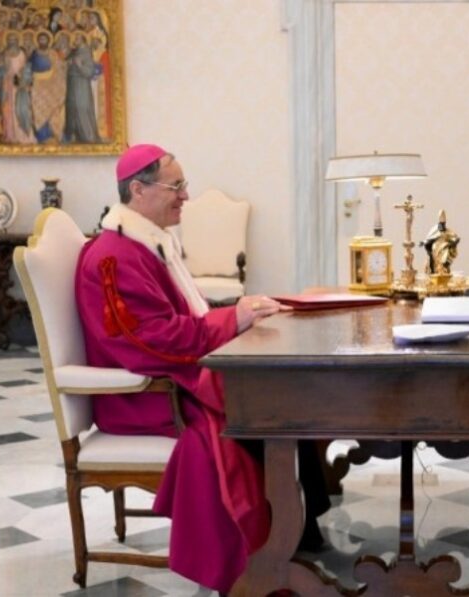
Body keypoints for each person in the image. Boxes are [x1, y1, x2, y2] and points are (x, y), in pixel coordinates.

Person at [74, 144, 329, 593]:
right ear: (138, 190)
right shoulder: (113, 258)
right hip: (143, 398)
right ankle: (259, 561)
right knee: (267, 410)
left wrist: (238, 312)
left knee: (287, 396)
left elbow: (186, 313)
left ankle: (298, 532)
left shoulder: (147, 243)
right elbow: (149, 340)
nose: (186, 196)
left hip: (172, 379)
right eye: (176, 186)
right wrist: (232, 320)